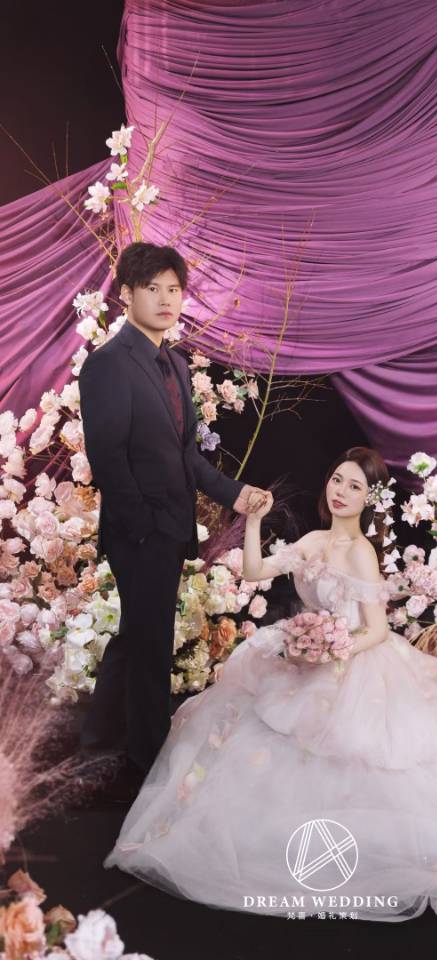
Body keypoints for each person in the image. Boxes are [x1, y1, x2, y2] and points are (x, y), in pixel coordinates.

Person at [105, 447, 437, 932]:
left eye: (354, 486)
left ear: (368, 498)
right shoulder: (315, 540)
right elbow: (253, 570)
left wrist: (330, 650)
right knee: (243, 723)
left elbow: (377, 630)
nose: (341, 491)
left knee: (364, 747)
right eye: (337, 480)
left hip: (354, 660)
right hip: (308, 654)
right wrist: (254, 521)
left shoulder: (360, 551)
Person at [78, 241, 269, 788]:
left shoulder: (177, 365)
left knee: (138, 636)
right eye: (152, 288)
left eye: (174, 289)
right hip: (139, 533)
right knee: (152, 643)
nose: (165, 299)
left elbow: (187, 457)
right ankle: (147, 767)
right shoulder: (108, 365)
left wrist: (235, 494)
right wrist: (143, 529)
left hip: (168, 529)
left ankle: (97, 746)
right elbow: (109, 460)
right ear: (126, 294)